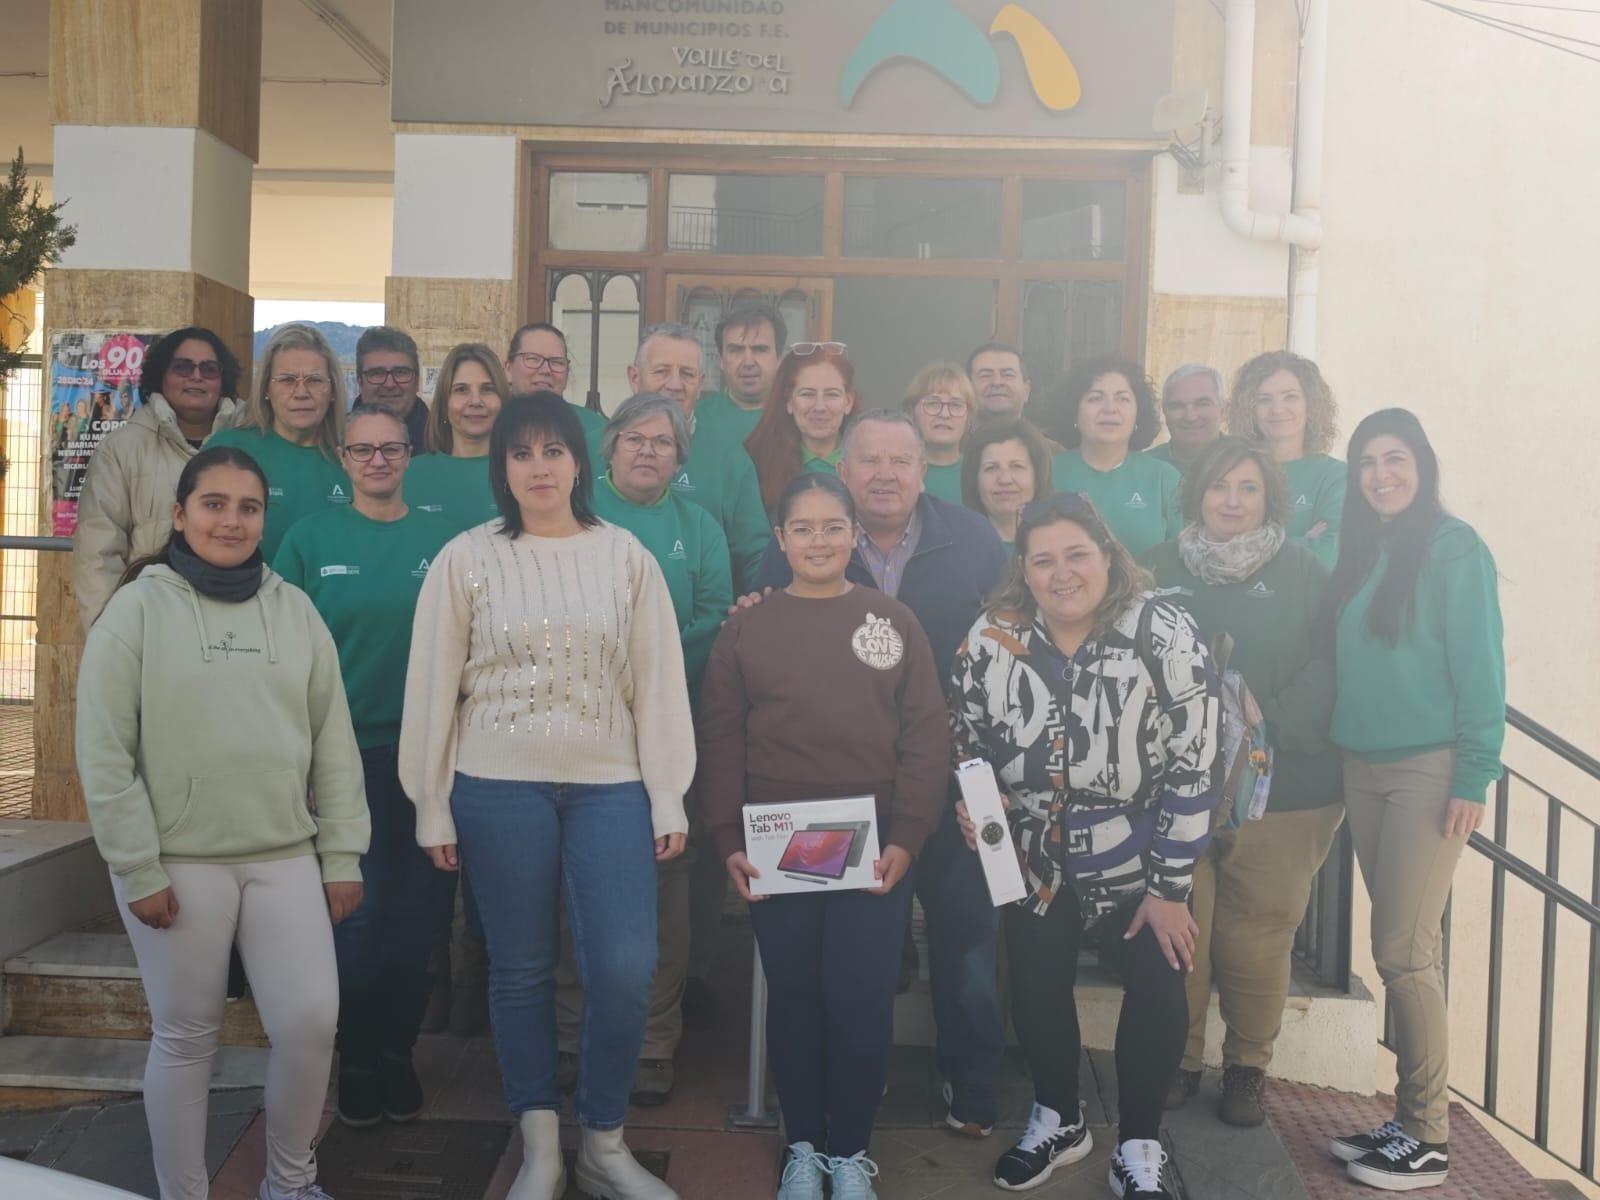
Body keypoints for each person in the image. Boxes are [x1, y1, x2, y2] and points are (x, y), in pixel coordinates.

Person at [399, 392, 693, 1200]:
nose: (538, 466)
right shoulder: (467, 558)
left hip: (611, 787)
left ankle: (603, 1142)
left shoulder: (624, 555)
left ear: (578, 461)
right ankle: (540, 1148)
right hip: (497, 787)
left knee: (626, 968)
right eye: (521, 452)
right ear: (502, 467)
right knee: (521, 968)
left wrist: (666, 793)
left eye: (552, 450)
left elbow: (657, 682)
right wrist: (430, 800)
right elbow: (433, 687)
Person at [75, 446, 369, 1200]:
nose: (231, 520)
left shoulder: (294, 610)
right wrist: (137, 866)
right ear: (180, 514)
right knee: (187, 1037)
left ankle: (290, 1182)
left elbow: (333, 740)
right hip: (177, 864)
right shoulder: (136, 610)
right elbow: (104, 752)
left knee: (309, 1024)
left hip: (283, 856)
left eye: (248, 507)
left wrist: (341, 854)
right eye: (214, 504)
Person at [950, 492, 1220, 1198]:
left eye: (1077, 554)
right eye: (1043, 560)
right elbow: (966, 739)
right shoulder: (992, 636)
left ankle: (1137, 1144)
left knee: (1160, 986)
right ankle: (1060, 1119)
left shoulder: (1162, 629)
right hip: (1032, 853)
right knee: (1036, 988)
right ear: (1025, 569)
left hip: (1141, 851)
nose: (1061, 573)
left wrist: (1169, 889)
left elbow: (1199, 761)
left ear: (1107, 555)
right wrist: (979, 807)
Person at [756, 410, 1010, 1144]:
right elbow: (769, 630)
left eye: (901, 459)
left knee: (967, 938)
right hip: (847, 790)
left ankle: (970, 1078)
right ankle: (858, 1082)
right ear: (844, 468)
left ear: (924, 469)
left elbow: (1014, 640)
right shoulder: (809, 543)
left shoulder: (974, 540)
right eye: (869, 460)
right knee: (865, 952)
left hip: (965, 776)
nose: (885, 473)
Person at [702, 472, 951, 1200]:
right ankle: (804, 1146)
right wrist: (726, 836)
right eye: (802, 528)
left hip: (869, 844)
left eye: (832, 526)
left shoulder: (892, 621)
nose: (818, 540)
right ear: (780, 539)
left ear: (854, 534)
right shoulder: (747, 626)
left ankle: (850, 1153)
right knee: (796, 994)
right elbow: (720, 736)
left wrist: (908, 832)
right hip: (777, 844)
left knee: (861, 993)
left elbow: (924, 736)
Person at [1323, 408, 1504, 1193]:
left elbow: (1481, 664)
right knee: (1394, 944)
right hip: (1360, 765)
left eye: (1394, 459)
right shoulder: (1361, 546)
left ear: (1422, 465)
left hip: (1426, 771)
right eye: (1366, 462)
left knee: (1404, 949)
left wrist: (1475, 773)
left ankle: (1427, 1133)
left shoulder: (1454, 546)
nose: (1380, 474)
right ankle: (1404, 1123)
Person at [1141, 438, 1343, 1127]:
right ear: (1195, 491)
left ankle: (1248, 1068)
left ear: (1270, 499)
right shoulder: (1156, 569)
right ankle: (1180, 1058)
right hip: (1177, 787)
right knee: (1181, 931)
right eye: (1219, 485)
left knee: (1255, 936)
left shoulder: (1306, 573)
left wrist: (1265, 723)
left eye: (1248, 488)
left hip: (1282, 789)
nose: (1231, 499)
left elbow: (1329, 665)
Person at [274, 405, 458, 1129]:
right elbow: (279, 648)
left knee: (418, 918)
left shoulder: (443, 544)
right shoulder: (309, 539)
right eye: (363, 450)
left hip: (427, 761)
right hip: (341, 759)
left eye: (391, 448)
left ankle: (397, 1050)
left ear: (410, 454)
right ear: (343, 458)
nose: (377, 460)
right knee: (359, 913)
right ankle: (355, 1053)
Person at [556, 392, 733, 1106]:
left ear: (680, 458)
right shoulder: (574, 524)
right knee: (574, 882)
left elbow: (714, 617)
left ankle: (655, 1042)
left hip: (670, 730)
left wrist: (639, 662)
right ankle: (574, 1033)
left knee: (667, 885)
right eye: (634, 438)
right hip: (579, 730)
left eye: (663, 442)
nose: (648, 450)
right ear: (608, 447)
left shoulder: (701, 529)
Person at [74, 326, 242, 630]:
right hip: (149, 622)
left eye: (209, 368)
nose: (196, 376)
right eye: (182, 367)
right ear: (161, 375)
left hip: (235, 622)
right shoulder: (122, 450)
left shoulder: (248, 445)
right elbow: (98, 554)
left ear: (224, 379)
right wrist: (109, 634)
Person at [626, 322, 771, 592]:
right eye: (661, 371)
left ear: (701, 383)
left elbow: (755, 553)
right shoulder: (600, 447)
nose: (675, 384)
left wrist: (754, 607)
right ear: (635, 377)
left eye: (687, 374)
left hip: (701, 624)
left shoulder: (729, 458)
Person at [207, 322, 351, 559]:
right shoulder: (229, 450)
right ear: (265, 388)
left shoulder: (355, 459)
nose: (301, 392)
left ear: (333, 390)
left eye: (314, 381)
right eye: (287, 380)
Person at [1041, 355, 1182, 557]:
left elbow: (1179, 557)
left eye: (1122, 398)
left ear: (1137, 413)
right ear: (1074, 412)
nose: (1109, 409)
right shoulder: (1047, 473)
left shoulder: (1163, 478)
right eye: (1095, 398)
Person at [1225, 350, 1345, 568]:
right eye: (1264, 400)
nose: (1277, 409)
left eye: (1290, 397)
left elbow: (1329, 554)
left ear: (1311, 405)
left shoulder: (1336, 477)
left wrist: (1249, 546)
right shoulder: (1229, 471)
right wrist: (1305, 541)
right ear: (1249, 410)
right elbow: (1220, 550)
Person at [745, 344, 860, 513]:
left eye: (831, 394)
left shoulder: (867, 463)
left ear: (848, 402)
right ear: (789, 402)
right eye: (807, 394)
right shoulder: (758, 464)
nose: (819, 407)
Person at [407, 342, 508, 532]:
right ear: (444, 404)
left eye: (487, 389)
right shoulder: (408, 475)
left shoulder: (523, 473)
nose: (476, 401)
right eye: (461, 390)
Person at [695, 304, 787, 453]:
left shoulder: (798, 418)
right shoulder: (697, 419)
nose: (748, 362)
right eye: (736, 350)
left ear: (779, 360)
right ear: (721, 360)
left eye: (759, 349)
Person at [506, 321, 607, 448]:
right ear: (508, 369)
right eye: (532, 359)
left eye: (556, 362)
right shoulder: (489, 427)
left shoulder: (597, 432)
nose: (545, 370)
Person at [960, 417, 1053, 550]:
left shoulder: (1061, 545)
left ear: (1038, 476)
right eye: (991, 468)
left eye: (1017, 466)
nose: (1005, 479)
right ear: (974, 480)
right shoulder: (958, 548)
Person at [902, 362, 975, 504]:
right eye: (933, 404)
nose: (944, 414)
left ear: (969, 416)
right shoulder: (898, 471)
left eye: (955, 405)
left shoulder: (980, 472)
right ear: (912, 411)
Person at [356, 326, 429, 452]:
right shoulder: (336, 443)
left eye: (400, 372)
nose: (389, 384)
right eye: (377, 373)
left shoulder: (446, 444)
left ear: (417, 382)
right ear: (360, 382)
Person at [1148, 364, 1224, 473]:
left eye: (1202, 404)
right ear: (1164, 412)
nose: (1190, 417)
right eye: (1177, 406)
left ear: (1224, 410)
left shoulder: (1246, 463)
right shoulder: (1143, 469)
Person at [967, 343, 1031, 421]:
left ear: (1026, 390)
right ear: (967, 388)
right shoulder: (950, 433)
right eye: (985, 375)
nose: (997, 382)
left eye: (1008, 375)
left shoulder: (1038, 434)